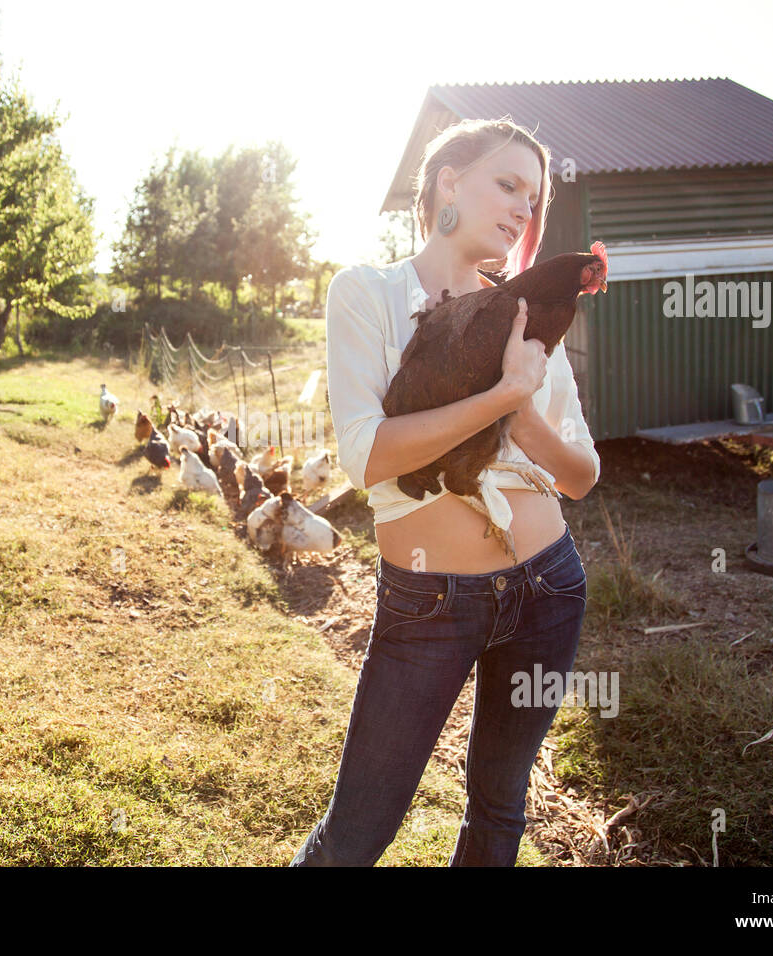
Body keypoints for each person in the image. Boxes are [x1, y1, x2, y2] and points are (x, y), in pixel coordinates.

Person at [291, 118, 601, 866]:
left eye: (535, 197)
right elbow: (369, 454)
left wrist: (523, 411)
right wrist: (499, 399)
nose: (525, 208)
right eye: (507, 184)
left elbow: (582, 476)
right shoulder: (368, 292)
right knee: (357, 831)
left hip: (549, 588)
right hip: (429, 600)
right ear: (447, 182)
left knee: (499, 813)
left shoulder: (532, 317)